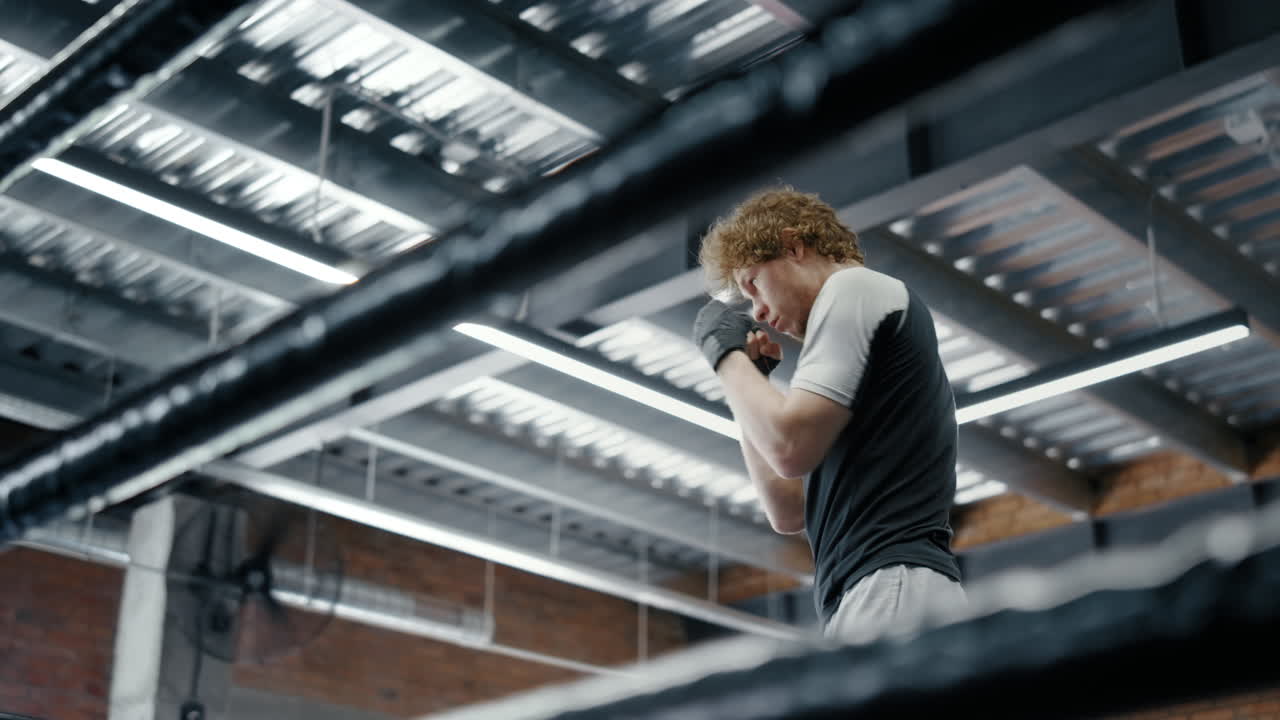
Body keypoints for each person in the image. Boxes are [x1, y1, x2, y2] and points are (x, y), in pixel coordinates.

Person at [691, 186, 966, 644]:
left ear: (794, 246)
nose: (756, 311)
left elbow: (789, 447)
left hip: (891, 583)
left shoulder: (853, 287)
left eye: (753, 283)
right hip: (881, 589)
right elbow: (787, 507)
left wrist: (723, 354)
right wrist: (749, 376)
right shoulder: (851, 369)